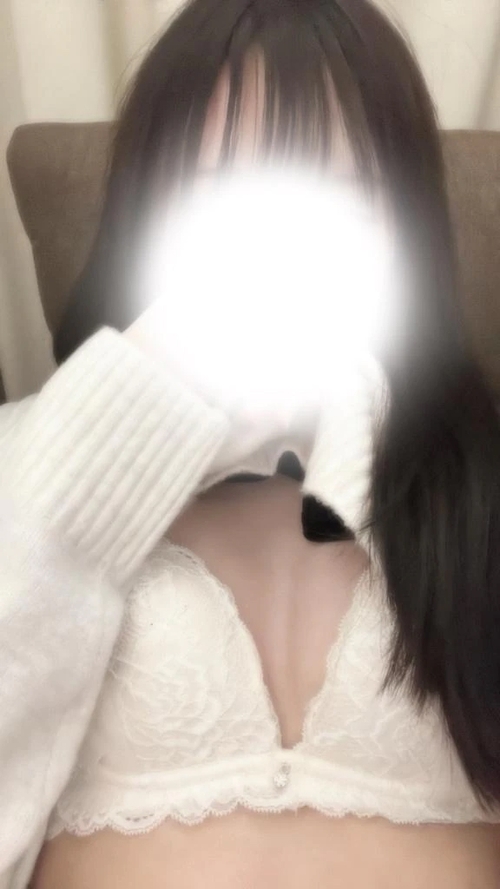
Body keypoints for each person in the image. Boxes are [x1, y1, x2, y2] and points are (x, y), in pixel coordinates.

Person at [1, 0, 500, 887]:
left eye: (341, 199)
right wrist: (110, 433)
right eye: (221, 195)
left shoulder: (485, 487)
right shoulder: (19, 458)